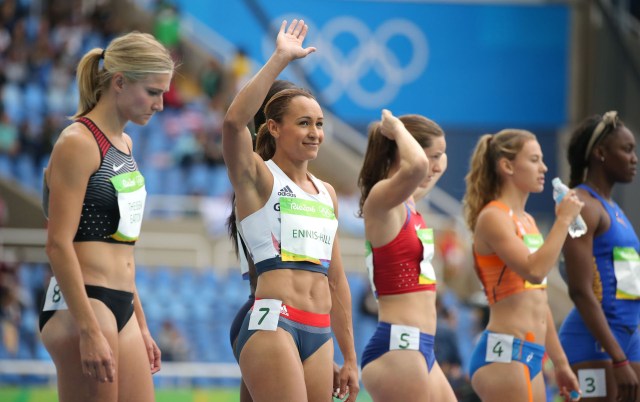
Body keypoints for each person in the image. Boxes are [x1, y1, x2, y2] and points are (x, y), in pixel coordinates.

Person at [222, 19, 359, 402]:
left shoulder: (327, 193)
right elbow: (233, 123)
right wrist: (281, 59)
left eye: (319, 123)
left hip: (318, 332)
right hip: (273, 321)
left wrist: (349, 357)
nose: (315, 132)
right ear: (274, 128)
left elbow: (337, 282)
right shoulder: (259, 178)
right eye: (303, 123)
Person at [39, 32, 174, 402]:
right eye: (153, 92)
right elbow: (57, 244)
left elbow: (123, 248)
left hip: (121, 303)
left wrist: (142, 326)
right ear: (119, 82)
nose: (160, 105)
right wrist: (88, 329)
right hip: (83, 302)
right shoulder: (78, 142)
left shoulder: (125, 144)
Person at [462, 129, 584, 402]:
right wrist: (563, 221)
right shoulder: (493, 216)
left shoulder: (527, 221)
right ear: (507, 166)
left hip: (530, 353)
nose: (544, 167)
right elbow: (535, 269)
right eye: (534, 159)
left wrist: (561, 363)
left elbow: (538, 300)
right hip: (505, 353)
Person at [357, 109, 455, 401]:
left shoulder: (408, 201)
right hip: (399, 347)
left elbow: (425, 168)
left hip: (422, 347)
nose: (436, 166)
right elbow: (418, 167)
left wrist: (433, 151)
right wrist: (398, 129)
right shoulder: (382, 199)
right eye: (433, 156)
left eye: (440, 156)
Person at [558, 111, 639, 402]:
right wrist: (617, 359)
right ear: (600, 153)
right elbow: (579, 290)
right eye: (627, 150)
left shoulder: (612, 208)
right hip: (594, 342)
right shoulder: (583, 206)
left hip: (628, 336)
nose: (635, 159)